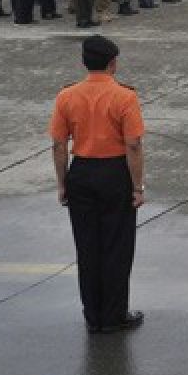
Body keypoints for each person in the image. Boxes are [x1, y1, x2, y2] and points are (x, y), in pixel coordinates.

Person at [50, 35, 146, 334]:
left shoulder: (66, 96)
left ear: (84, 62)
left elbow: (58, 144)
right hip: (114, 173)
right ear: (113, 64)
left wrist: (63, 183)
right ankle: (114, 314)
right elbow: (133, 145)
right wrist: (137, 187)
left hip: (82, 172)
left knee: (87, 247)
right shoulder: (125, 97)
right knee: (117, 246)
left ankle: (93, 316)